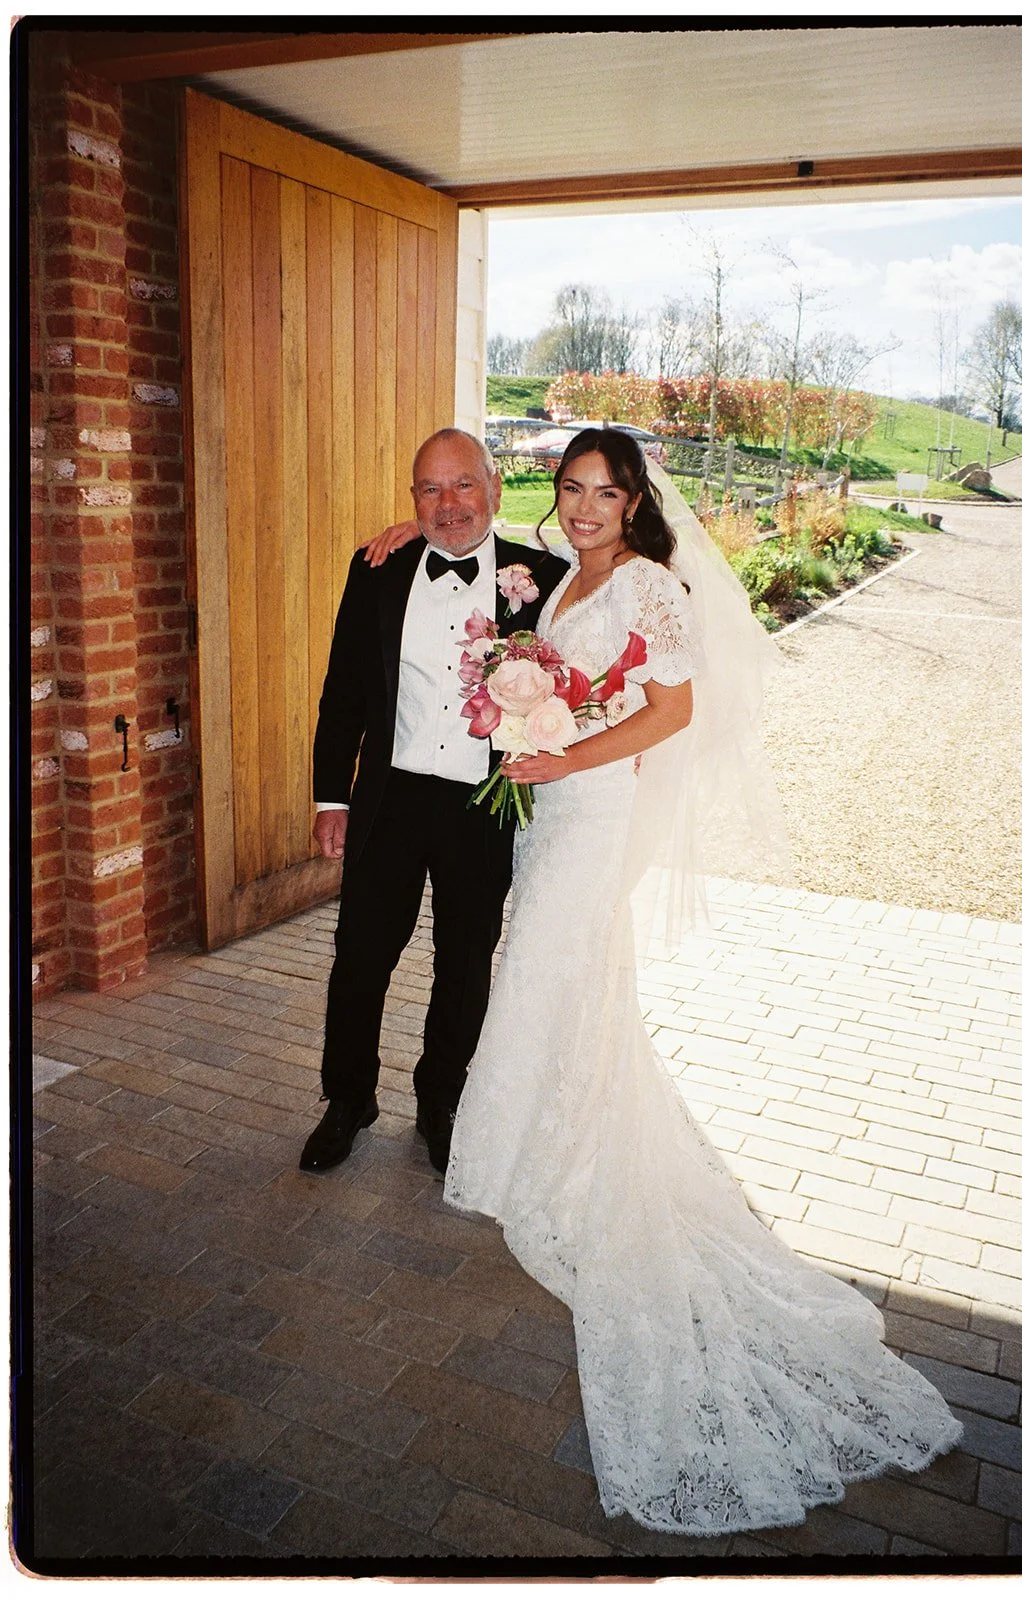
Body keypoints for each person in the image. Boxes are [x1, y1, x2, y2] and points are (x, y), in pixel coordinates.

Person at [368, 426, 962, 1537]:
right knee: (556, 983)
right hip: (547, 813)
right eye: (570, 489)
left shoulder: (649, 585)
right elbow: (489, 569)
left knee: (545, 968)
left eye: (604, 492)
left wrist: (561, 754)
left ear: (636, 501)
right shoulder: (556, 575)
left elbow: (672, 710)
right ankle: (539, 1139)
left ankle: (564, 1158)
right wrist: (420, 529)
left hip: (592, 814)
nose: (584, 507)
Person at [299, 429, 568, 1176]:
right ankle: (348, 1099)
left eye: (462, 485)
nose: (447, 504)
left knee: (465, 965)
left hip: (484, 803)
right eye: (429, 489)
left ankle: (441, 1100)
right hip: (391, 797)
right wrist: (331, 798)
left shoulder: (546, 579)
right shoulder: (376, 569)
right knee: (359, 957)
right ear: (412, 498)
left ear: (495, 489)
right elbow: (343, 693)